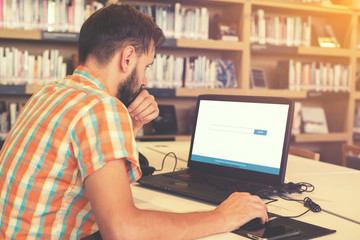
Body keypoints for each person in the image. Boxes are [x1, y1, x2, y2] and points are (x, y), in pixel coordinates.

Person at [0, 4, 268, 239]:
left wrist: (129, 125)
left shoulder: (51, 91)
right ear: (127, 57)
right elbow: (123, 230)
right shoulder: (101, 106)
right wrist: (222, 217)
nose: (144, 81)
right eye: (146, 66)